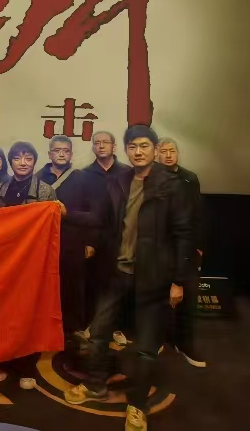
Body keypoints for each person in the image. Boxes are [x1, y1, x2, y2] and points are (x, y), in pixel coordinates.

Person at [65, 125, 193, 431]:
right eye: (133, 146)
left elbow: (184, 234)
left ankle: (137, 405)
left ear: (154, 149)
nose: (138, 152)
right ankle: (95, 385)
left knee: (146, 346)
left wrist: (178, 281)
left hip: (154, 277)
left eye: (144, 146)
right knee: (99, 333)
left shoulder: (172, 185)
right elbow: (100, 219)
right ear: (126, 150)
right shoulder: (119, 181)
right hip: (116, 272)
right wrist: (63, 212)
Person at [0, 141, 56, 389]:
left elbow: (52, 228)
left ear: (35, 162)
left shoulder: (46, 191)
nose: (23, 163)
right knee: (1, 312)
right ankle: (0, 361)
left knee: (28, 313)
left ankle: (26, 366)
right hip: (3, 260)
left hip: (31, 261)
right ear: (10, 162)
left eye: (28, 158)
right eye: (17, 158)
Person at [36, 135, 105, 341]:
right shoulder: (37, 178)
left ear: (71, 154)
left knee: (73, 287)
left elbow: (95, 215)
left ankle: (72, 330)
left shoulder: (83, 178)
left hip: (74, 243)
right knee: (45, 287)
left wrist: (91, 241)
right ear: (49, 154)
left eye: (65, 151)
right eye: (57, 150)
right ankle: (45, 328)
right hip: (43, 244)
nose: (61, 154)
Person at [157, 137, 206, 368]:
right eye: (163, 151)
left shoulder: (190, 178)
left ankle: (185, 344)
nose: (168, 155)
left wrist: (199, 246)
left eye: (172, 150)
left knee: (187, 297)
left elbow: (198, 214)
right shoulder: (149, 178)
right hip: (160, 248)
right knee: (158, 299)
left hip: (186, 246)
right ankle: (159, 339)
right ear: (156, 154)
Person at [84, 131, 131, 336]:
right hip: (94, 238)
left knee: (119, 284)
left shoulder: (127, 173)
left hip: (121, 237)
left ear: (114, 146)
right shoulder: (85, 174)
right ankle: (92, 326)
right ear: (93, 147)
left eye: (105, 142)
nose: (101, 146)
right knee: (93, 283)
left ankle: (116, 328)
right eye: (97, 143)